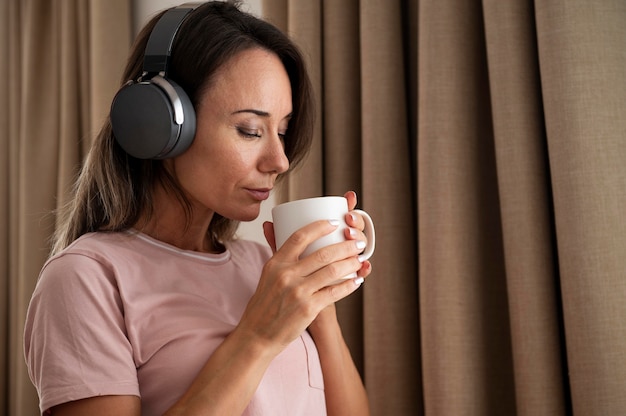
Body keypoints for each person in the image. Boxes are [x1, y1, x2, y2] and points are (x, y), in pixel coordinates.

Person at [23, 1, 372, 415]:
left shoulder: (264, 266)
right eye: (249, 129)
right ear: (159, 123)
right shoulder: (87, 279)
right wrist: (258, 336)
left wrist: (318, 304)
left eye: (281, 131)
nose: (279, 160)